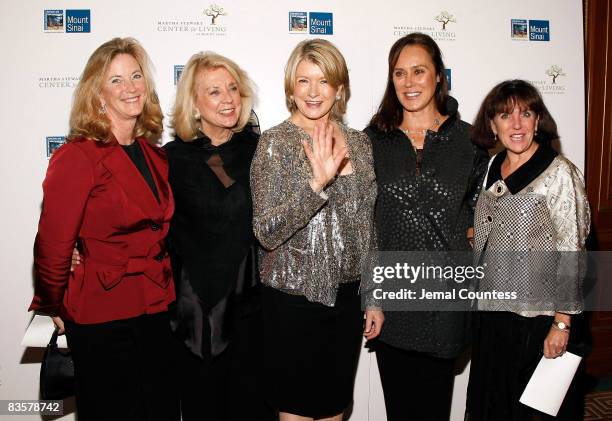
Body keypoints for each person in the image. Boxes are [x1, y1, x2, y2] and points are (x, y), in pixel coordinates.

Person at [29, 37, 179, 421]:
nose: (130, 87)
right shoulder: (77, 157)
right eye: (116, 80)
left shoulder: (155, 156)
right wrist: (53, 304)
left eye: (135, 76)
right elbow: (52, 244)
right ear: (97, 94)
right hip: (101, 310)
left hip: (156, 306)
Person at [250, 38, 384, 421]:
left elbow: (367, 223)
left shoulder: (359, 143)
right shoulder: (274, 143)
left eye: (323, 81)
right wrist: (316, 186)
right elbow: (266, 230)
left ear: (339, 88)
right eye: (304, 81)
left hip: (344, 303)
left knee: (333, 410)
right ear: (291, 88)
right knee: (294, 411)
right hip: (292, 303)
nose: (313, 92)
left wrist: (373, 296)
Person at [364, 32, 489, 421]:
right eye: (399, 73)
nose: (409, 82)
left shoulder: (470, 141)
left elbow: (480, 215)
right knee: (400, 413)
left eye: (419, 71)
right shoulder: (373, 141)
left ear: (439, 76)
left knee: (434, 411)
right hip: (393, 303)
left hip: (445, 302)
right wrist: (373, 295)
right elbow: (367, 225)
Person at [465, 79, 590, 421]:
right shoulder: (493, 167)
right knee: (491, 409)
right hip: (493, 316)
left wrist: (562, 324)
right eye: (505, 116)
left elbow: (572, 250)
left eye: (526, 113)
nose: (516, 124)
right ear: (492, 125)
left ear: (538, 121)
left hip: (539, 322)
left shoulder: (559, 172)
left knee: (532, 413)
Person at [163, 52, 273, 421]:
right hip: (195, 315)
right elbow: (141, 226)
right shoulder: (170, 160)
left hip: (251, 311)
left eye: (233, 89)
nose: (228, 99)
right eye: (214, 92)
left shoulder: (262, 152)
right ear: (194, 103)